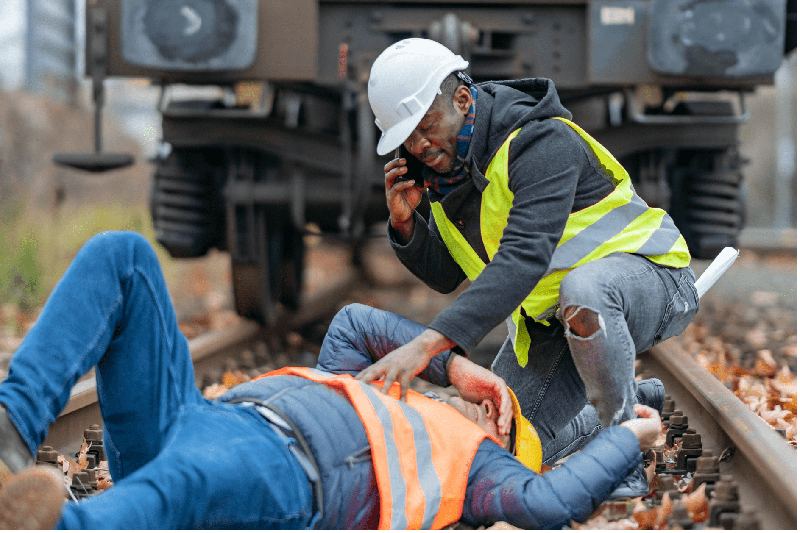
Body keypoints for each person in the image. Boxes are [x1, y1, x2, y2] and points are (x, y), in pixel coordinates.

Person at [0, 231, 663, 530]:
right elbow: (352, 322)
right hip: (195, 420)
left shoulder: (476, 474)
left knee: (191, 476)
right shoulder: (377, 393)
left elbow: (550, 503)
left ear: (505, 446)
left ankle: (57, 528)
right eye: (498, 404)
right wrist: (453, 364)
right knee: (124, 257)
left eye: (508, 423)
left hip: (282, 477)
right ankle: (7, 437)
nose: (496, 411)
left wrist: (635, 433)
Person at [360, 38, 699, 497]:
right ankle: (635, 403)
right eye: (407, 139)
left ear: (462, 99)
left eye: (426, 126)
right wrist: (405, 225)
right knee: (501, 446)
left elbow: (524, 256)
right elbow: (447, 275)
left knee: (585, 288)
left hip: (652, 281)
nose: (419, 146)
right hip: (553, 324)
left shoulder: (541, 140)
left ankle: (624, 458)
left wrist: (426, 346)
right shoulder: (449, 175)